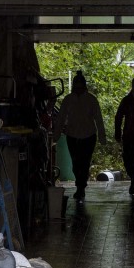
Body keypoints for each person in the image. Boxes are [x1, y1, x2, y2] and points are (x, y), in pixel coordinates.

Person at [53, 71, 106, 203]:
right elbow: (60, 119)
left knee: (85, 162)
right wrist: (56, 135)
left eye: (80, 84)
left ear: (84, 85)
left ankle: (81, 186)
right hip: (72, 135)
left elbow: (98, 119)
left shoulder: (91, 100)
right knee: (76, 164)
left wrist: (102, 136)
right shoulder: (68, 100)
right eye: (76, 84)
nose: (77, 87)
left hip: (88, 136)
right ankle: (80, 184)